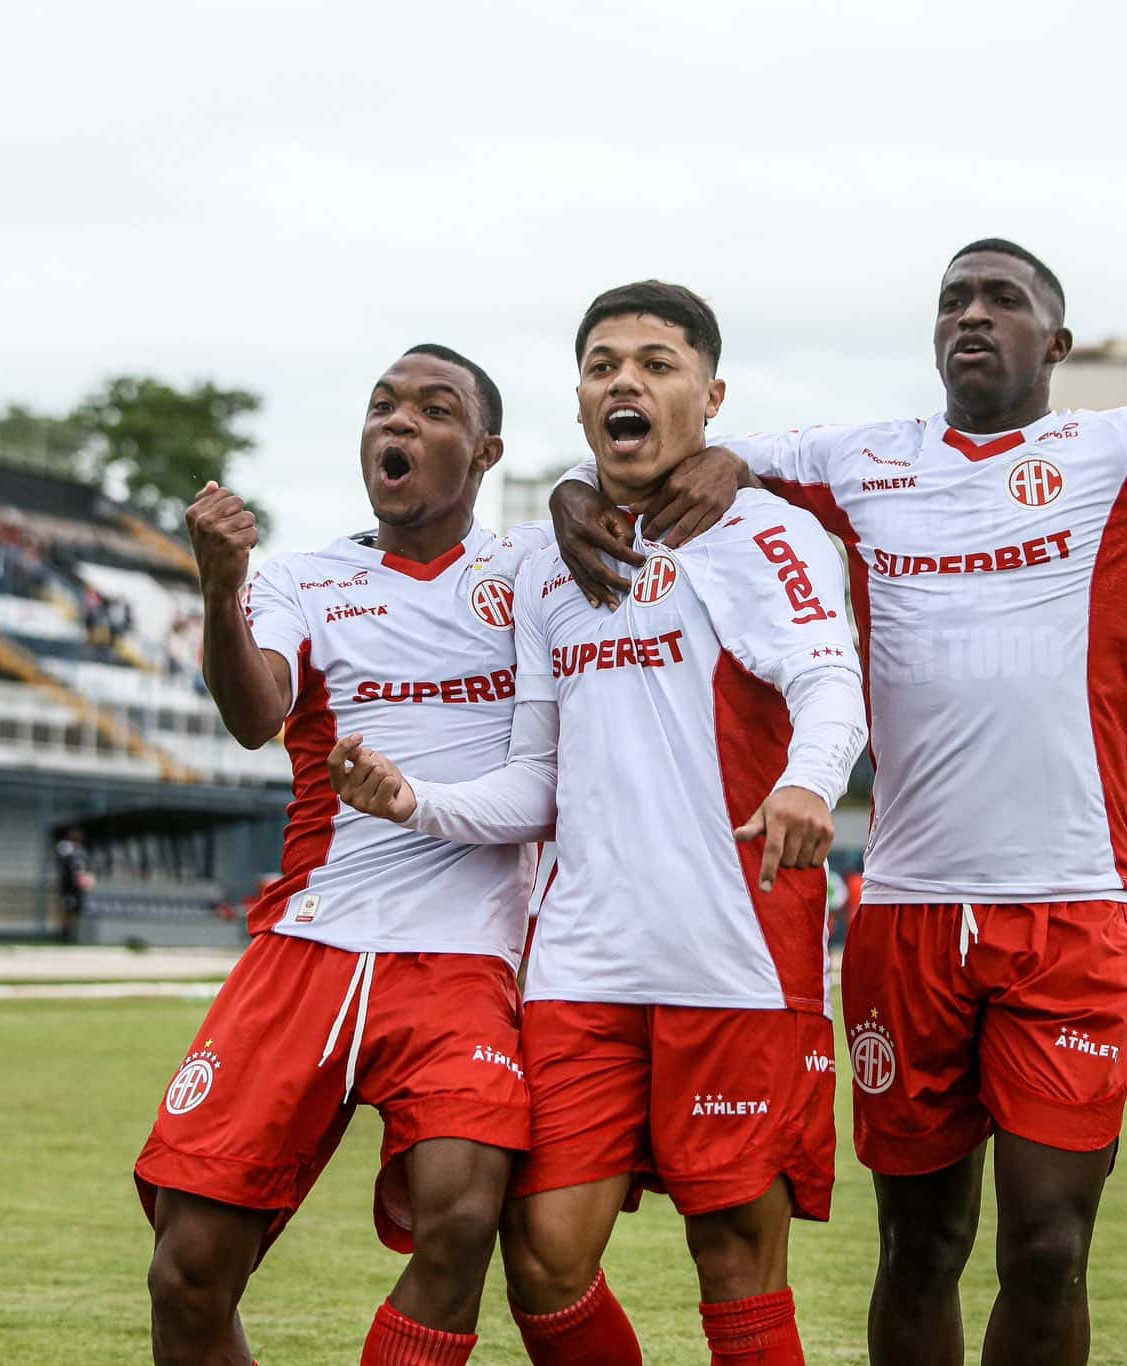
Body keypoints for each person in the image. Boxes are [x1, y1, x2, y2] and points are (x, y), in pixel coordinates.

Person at [545, 30, 1127, 1365]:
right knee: (919, 1243)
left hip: (1070, 907)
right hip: (907, 915)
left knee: (1048, 1244)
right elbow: (690, 461)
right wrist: (577, 492)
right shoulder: (854, 462)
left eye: (999, 297)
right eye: (950, 298)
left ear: (1059, 337)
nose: (969, 313)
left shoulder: (1125, 450)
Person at [330, 282, 867, 1365]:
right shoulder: (543, 560)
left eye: (657, 363)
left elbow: (827, 680)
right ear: (578, 401)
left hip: (733, 956)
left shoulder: (767, 532)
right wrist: (414, 801)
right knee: (541, 1254)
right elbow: (535, 780)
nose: (625, 380)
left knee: (733, 1261)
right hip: (579, 965)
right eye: (602, 365)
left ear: (710, 397)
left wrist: (810, 782)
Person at [136, 343, 546, 1366]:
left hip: (462, 961)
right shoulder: (301, 580)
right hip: (310, 941)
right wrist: (222, 583)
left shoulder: (532, 572)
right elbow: (252, 712)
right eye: (382, 406)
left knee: (460, 1216)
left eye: (433, 409)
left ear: (485, 451)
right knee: (186, 1269)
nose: (397, 423)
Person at [54, 827, 93, 945]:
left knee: (76, 910)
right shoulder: (65, 847)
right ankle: (64, 934)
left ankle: (73, 934)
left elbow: (84, 867)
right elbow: (65, 861)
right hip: (68, 885)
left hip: (78, 886)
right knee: (67, 909)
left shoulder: (82, 851)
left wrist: (86, 880)